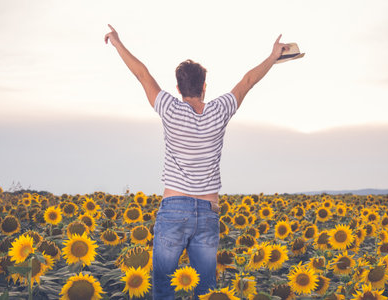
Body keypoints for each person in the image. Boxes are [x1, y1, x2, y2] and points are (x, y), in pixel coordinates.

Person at [104, 24, 290, 299]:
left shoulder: (169, 108)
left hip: (173, 209)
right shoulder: (220, 110)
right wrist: (273, 57)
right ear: (205, 87)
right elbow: (248, 80)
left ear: (178, 88)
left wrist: (118, 43)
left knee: (164, 290)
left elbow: (142, 74)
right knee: (205, 291)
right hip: (207, 211)